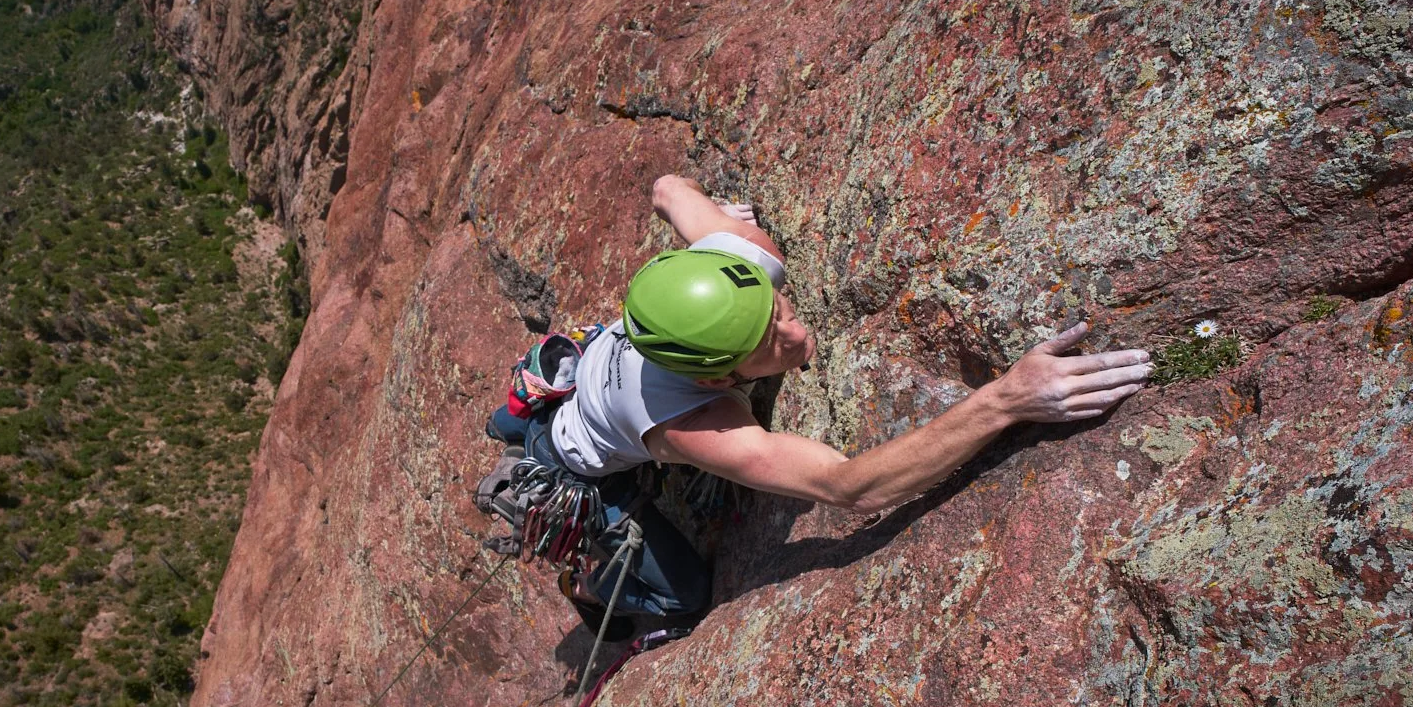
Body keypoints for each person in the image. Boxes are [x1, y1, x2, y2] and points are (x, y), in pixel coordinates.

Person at [488, 174, 1151, 637]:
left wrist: (724, 219)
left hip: (601, 376)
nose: (798, 335)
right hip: (576, 459)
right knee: (684, 597)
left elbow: (666, 188)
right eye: (768, 345)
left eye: (778, 312)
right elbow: (849, 486)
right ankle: (593, 579)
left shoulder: (742, 261)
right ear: (719, 384)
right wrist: (1006, 400)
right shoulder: (688, 424)